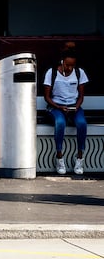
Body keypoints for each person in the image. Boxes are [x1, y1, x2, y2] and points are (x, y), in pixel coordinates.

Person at [43, 45, 88, 176]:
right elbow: (47, 97)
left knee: (81, 123)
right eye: (67, 65)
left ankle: (80, 157)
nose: (69, 68)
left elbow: (81, 96)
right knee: (60, 122)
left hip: (74, 106)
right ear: (62, 61)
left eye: (72, 66)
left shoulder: (79, 73)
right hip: (56, 106)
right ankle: (59, 157)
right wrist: (59, 107)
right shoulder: (51, 72)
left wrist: (76, 107)